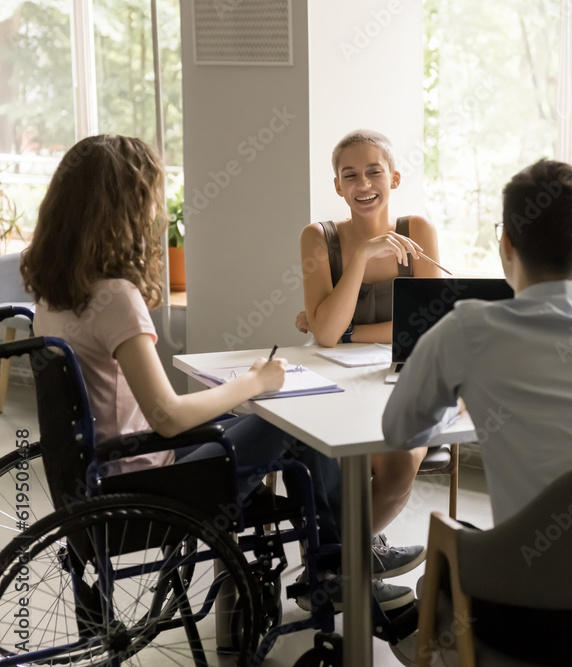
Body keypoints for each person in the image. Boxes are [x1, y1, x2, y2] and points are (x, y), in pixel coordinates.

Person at [20, 134, 415, 611]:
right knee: (299, 421)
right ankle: (338, 570)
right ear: (124, 209)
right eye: (151, 198)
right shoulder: (116, 299)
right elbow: (166, 416)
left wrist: (248, 392)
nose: (156, 211)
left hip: (99, 474)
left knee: (277, 413)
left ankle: (333, 565)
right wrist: (253, 384)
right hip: (149, 482)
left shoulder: (52, 296)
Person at [383, 159, 572, 664]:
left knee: (433, 586)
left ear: (506, 244)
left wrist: (461, 405)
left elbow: (399, 429)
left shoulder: (468, 329)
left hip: (533, 623)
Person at [296, 130, 441, 558]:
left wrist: (347, 331)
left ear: (394, 178)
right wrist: (360, 257)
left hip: (402, 379)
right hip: (333, 381)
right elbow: (324, 336)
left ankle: (333, 560)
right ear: (337, 186)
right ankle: (349, 564)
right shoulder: (317, 238)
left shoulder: (418, 231)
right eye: (350, 175)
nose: (363, 185)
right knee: (335, 458)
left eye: (374, 172)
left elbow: (427, 325)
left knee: (398, 467)